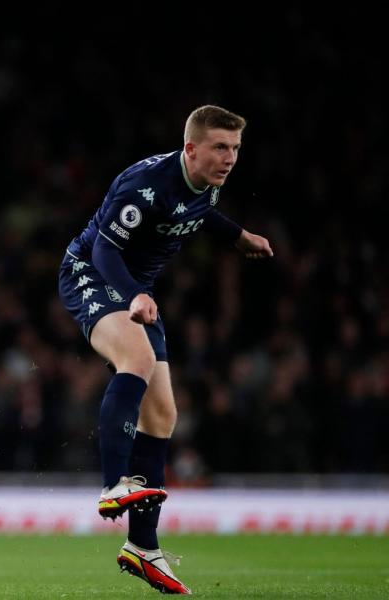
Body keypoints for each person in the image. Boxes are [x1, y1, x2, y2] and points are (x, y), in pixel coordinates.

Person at [58, 105, 272, 594]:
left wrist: (239, 237)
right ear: (191, 148)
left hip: (137, 290)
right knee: (136, 359)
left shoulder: (206, 182)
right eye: (221, 147)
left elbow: (199, 213)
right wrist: (134, 294)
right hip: (92, 274)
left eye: (236, 148)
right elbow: (104, 250)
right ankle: (115, 483)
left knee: (163, 414)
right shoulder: (143, 184)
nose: (230, 158)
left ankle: (142, 547)